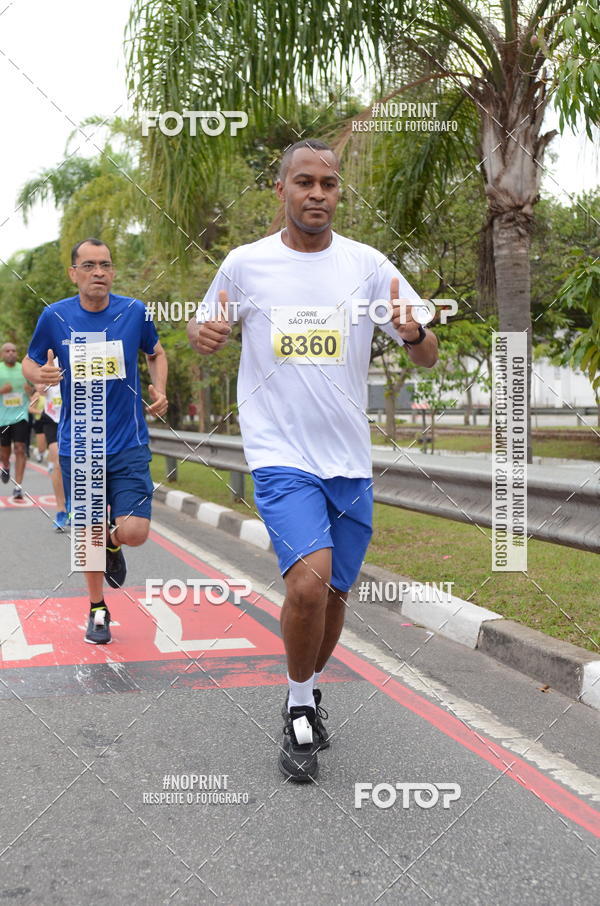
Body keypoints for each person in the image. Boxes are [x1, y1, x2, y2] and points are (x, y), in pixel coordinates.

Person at [187, 139, 438, 782]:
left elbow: (426, 352)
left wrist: (413, 331)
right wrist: (203, 333)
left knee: (335, 593)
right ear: (281, 191)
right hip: (279, 452)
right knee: (307, 582)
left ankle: (312, 688)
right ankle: (298, 709)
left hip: (349, 459)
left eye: (329, 183)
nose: (318, 193)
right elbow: (203, 326)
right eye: (305, 181)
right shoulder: (246, 265)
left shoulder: (367, 265)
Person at [23, 238, 168, 644]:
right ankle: (97, 608)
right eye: (88, 265)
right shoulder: (55, 316)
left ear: (113, 271)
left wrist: (159, 389)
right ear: (74, 274)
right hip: (79, 444)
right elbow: (31, 360)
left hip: (128, 441)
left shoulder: (133, 312)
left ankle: (114, 542)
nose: (98, 272)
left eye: (105, 265)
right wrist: (39, 376)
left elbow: (155, 352)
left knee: (136, 531)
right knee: (85, 532)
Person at [29, 382, 69, 529]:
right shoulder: (45, 360)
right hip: (51, 418)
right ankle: (61, 510)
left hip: (73, 417)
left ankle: (72, 501)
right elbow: (35, 376)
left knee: (76, 463)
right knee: (58, 461)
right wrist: (40, 386)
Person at [0, 342, 32, 500]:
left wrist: (30, 391)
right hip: (2, 419)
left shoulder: (24, 370)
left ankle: (18, 486)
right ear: (2, 354)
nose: (11, 353)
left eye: (13, 350)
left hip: (21, 417)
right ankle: (5, 466)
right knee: (4, 453)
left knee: (20, 448)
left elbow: (36, 392)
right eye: (7, 351)